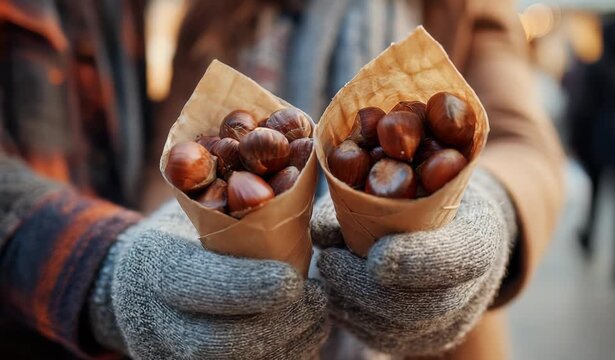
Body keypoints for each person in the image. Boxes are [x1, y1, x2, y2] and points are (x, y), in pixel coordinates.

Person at [0, 1, 565, 360]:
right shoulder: (214, 14)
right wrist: (167, 238)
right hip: (236, 330)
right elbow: (177, 149)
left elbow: (525, 140)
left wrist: (489, 206)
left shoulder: (461, 7)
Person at [567, 11, 615, 284]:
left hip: (602, 141)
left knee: (596, 195)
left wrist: (576, 140)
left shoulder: (597, 68)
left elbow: (583, 108)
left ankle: (589, 238)